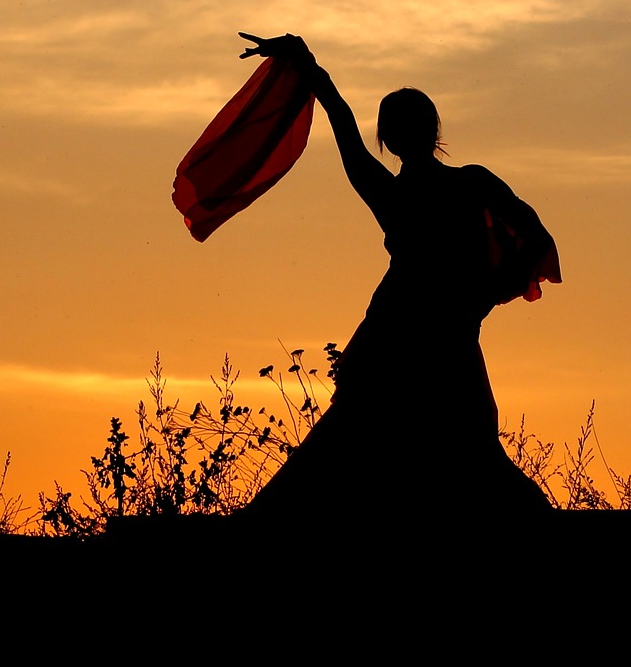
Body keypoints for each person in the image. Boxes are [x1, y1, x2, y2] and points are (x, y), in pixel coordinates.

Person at [236, 33, 560, 519]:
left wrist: (310, 67)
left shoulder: (395, 192)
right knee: (463, 451)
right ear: (433, 131)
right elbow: (536, 241)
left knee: (355, 444)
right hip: (431, 334)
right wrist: (482, 297)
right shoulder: (471, 184)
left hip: (400, 332)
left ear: (386, 139)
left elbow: (343, 125)